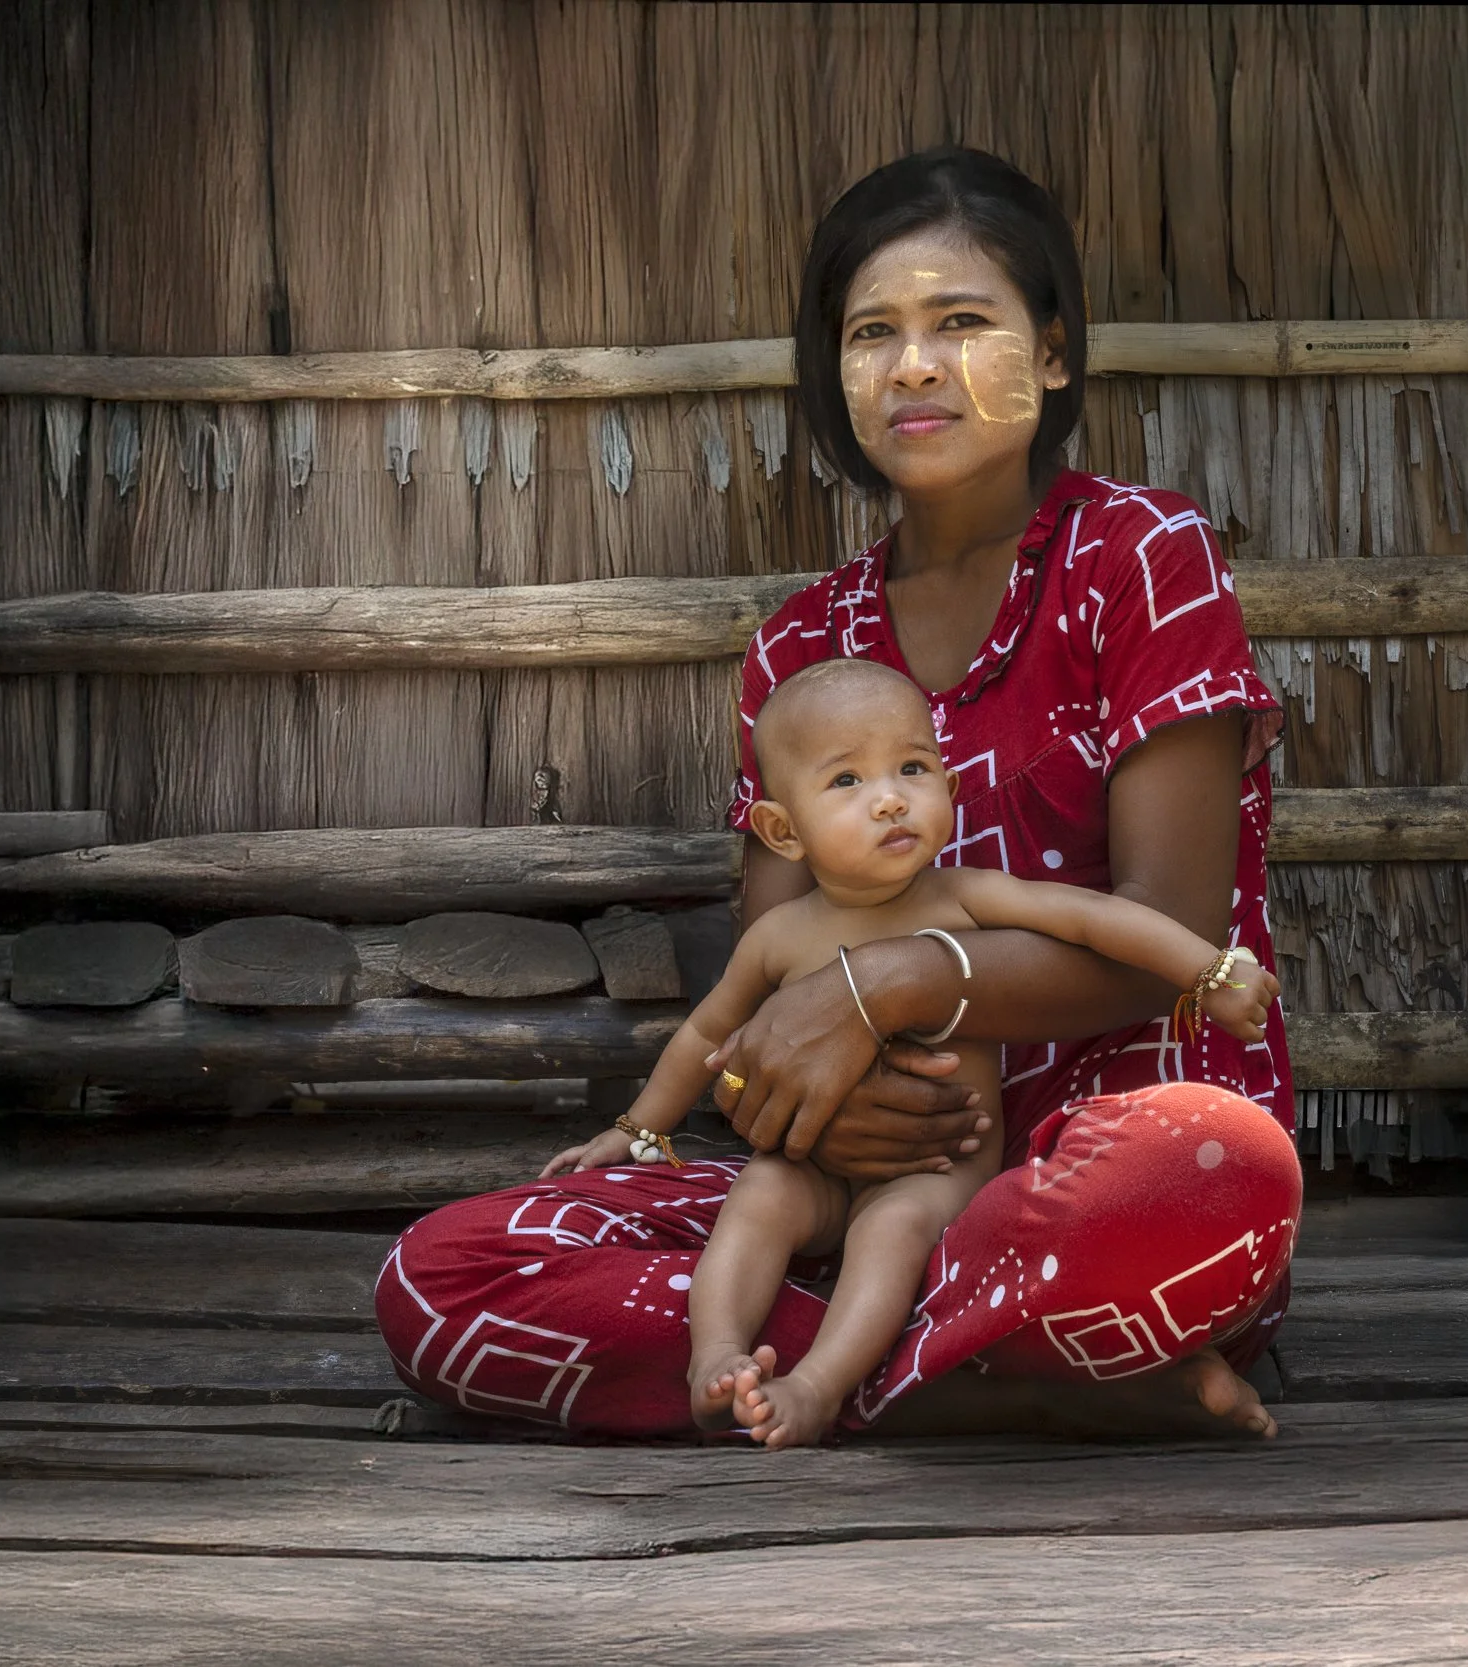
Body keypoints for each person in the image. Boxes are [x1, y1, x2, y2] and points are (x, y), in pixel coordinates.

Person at [376, 146, 1303, 1442]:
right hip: (864, 1190)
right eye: (876, 333)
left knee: (1219, 1167)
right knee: (446, 1273)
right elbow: (772, 1013)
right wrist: (797, 1100)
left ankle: (892, 1358)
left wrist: (896, 981)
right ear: (838, 377)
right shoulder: (804, 649)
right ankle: (998, 1376)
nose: (914, 363)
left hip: (1099, 1186)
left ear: (1050, 354)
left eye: (961, 322)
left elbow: (1168, 937)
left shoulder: (1143, 557)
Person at [539, 657, 1278, 1447]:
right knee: (756, 1200)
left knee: (888, 1234)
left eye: (913, 768)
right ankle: (715, 1356)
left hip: (934, 1172)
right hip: (813, 1162)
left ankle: (819, 1386)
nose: (890, 797)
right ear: (783, 831)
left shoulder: (963, 896)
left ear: (951, 792)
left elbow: (1093, 920)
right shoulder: (778, 939)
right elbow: (707, 1039)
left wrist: (1209, 968)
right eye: (847, 781)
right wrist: (642, 1128)